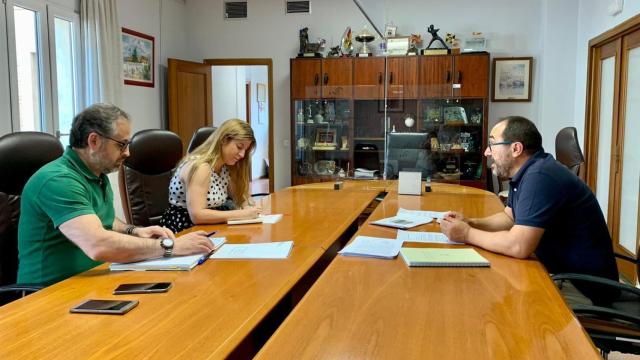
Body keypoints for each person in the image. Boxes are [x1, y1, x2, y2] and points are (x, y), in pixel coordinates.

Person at [17, 104, 214, 286]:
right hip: (49, 294)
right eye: (122, 144)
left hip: (95, 279)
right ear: (93, 141)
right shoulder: (57, 180)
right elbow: (98, 244)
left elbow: (104, 220)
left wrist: (134, 231)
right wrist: (171, 246)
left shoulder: (97, 174)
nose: (127, 153)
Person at [440, 116, 618, 305]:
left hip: (586, 291)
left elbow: (518, 246)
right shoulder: (531, 171)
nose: (486, 152)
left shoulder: (540, 176)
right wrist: (470, 222)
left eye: (492, 144)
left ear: (516, 149)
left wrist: (466, 233)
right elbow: (509, 217)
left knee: (489, 302)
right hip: (561, 275)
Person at [160, 119, 260, 233]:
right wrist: (241, 214)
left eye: (245, 150)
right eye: (239, 147)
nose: (242, 155)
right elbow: (197, 215)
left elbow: (240, 196)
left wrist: (247, 207)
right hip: (185, 228)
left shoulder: (226, 166)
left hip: (210, 226)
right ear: (223, 140)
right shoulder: (201, 167)